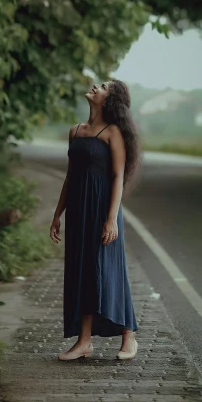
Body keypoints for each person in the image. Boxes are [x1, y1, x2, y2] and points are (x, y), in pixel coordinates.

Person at [50, 78, 140, 361]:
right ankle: (84, 341)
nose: (94, 86)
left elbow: (117, 177)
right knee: (81, 271)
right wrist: (57, 214)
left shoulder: (112, 132)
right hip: (78, 210)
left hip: (103, 209)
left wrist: (111, 218)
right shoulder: (75, 131)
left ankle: (129, 335)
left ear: (109, 100)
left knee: (108, 269)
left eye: (102, 86)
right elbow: (69, 176)